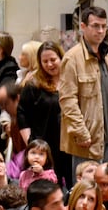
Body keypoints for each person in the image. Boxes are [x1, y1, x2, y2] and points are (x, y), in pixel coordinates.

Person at [60, 7, 108, 171]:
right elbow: (67, 100)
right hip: (87, 141)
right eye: (95, 26)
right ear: (83, 27)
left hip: (107, 139)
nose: (100, 31)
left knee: (105, 191)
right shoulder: (72, 58)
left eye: (104, 26)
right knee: (86, 190)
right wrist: (81, 132)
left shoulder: (105, 56)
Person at [17, 41, 71, 188]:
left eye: (53, 60)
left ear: (61, 58)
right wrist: (30, 140)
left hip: (69, 144)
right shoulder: (33, 84)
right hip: (45, 145)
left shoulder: (71, 80)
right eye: (45, 61)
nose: (49, 65)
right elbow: (22, 113)